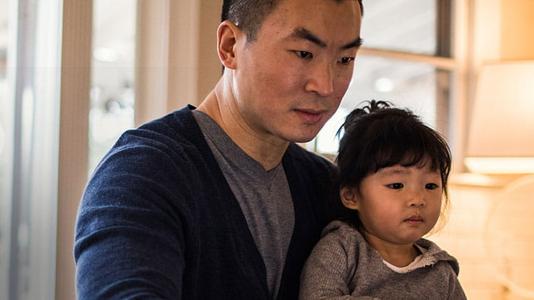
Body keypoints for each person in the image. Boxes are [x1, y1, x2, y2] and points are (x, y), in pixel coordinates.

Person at [74, 0, 363, 299]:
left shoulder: (326, 187)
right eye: (304, 54)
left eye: (345, 59)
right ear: (230, 47)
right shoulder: (142, 173)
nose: (326, 86)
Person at [299, 101, 467, 299]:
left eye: (430, 186)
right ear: (351, 196)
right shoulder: (342, 250)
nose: (418, 199)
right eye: (396, 185)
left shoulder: (440, 270)